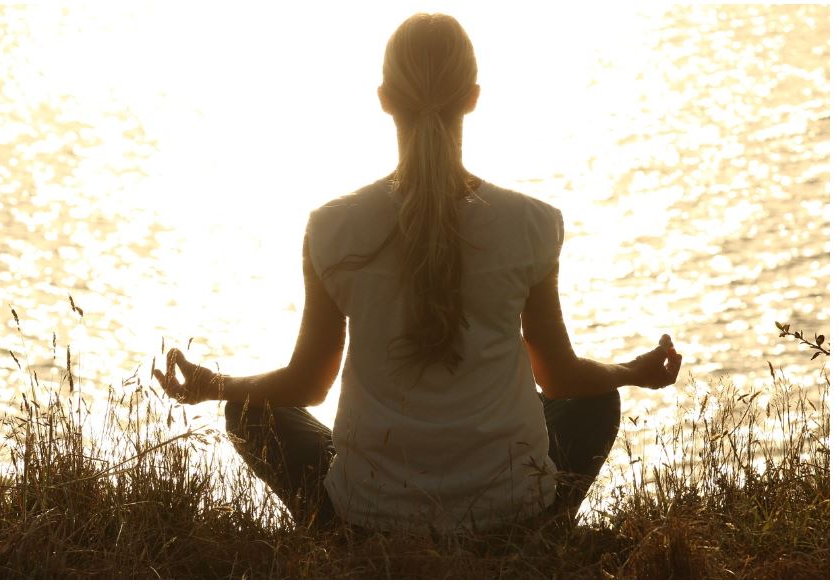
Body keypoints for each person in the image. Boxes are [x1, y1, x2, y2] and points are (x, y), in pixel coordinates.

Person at [154, 13, 682, 534]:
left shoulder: (331, 227)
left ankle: (340, 535)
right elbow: (560, 376)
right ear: (473, 97)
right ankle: (533, 528)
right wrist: (631, 373)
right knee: (595, 398)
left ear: (384, 98)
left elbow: (307, 385)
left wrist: (213, 385)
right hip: (509, 507)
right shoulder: (533, 224)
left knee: (249, 412)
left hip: (369, 514)